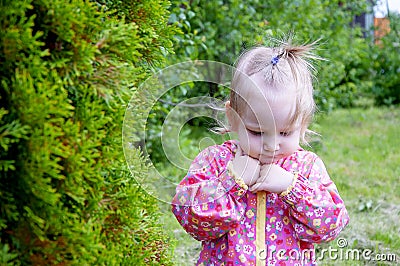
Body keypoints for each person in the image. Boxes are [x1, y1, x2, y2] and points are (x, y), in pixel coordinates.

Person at [171, 39, 349, 265]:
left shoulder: (306, 167)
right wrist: (230, 182)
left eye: (285, 133)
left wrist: (292, 188)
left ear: (302, 125)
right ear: (233, 118)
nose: (271, 146)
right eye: (257, 132)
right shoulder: (215, 162)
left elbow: (331, 225)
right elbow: (190, 218)